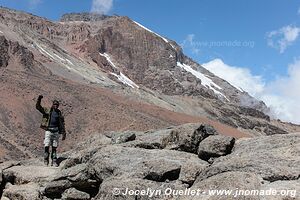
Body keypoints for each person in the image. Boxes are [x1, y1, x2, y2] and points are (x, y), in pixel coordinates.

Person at [36, 95, 66, 167]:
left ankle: (54, 160)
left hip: (56, 132)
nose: (55, 106)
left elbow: (62, 124)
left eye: (57, 105)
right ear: (52, 105)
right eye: (54, 104)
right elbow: (38, 107)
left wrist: (64, 133)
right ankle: (46, 160)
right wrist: (39, 99)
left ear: (58, 106)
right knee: (46, 145)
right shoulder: (48, 110)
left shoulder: (59, 113)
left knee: (54, 147)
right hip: (48, 131)